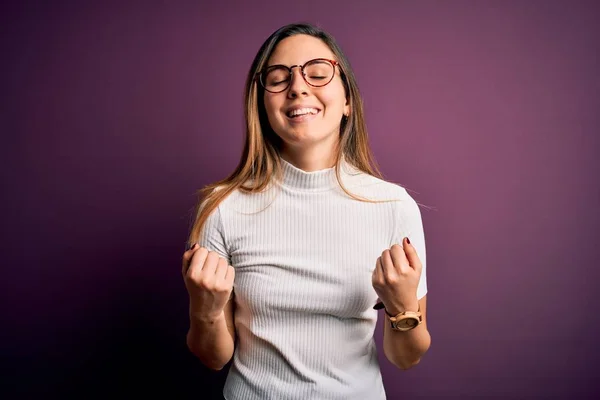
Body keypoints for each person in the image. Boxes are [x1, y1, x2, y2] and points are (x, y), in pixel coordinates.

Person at [181, 22, 431, 400]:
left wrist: (402, 309)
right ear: (262, 106)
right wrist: (205, 308)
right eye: (278, 79)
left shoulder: (394, 207)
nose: (298, 87)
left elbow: (405, 358)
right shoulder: (221, 206)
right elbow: (213, 357)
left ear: (347, 100)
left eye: (317, 73)